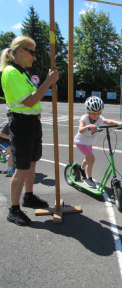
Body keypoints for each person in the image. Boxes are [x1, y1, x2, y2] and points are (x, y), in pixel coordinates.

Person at [0, 35, 59, 226]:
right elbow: (30, 100)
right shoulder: (11, 72)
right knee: (21, 168)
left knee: (32, 163)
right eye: (32, 53)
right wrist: (48, 82)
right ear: (20, 51)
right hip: (22, 124)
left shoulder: (22, 72)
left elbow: (33, 99)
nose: (34, 58)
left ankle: (29, 196)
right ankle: (14, 210)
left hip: (32, 124)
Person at [74, 96, 122, 188]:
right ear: (88, 111)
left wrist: (119, 123)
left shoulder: (99, 118)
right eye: (93, 113)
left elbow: (108, 121)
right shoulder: (84, 118)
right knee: (91, 158)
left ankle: (81, 168)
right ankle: (88, 178)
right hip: (81, 142)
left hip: (89, 142)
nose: (96, 115)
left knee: (87, 159)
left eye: (98, 112)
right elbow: (81, 130)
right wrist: (88, 127)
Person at [0, 110, 14, 177]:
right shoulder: (7, 123)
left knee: (15, 149)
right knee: (12, 151)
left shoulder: (12, 123)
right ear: (9, 117)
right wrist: (10, 137)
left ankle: (11, 163)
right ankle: (9, 170)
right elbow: (1, 133)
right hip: (1, 141)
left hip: (5, 140)